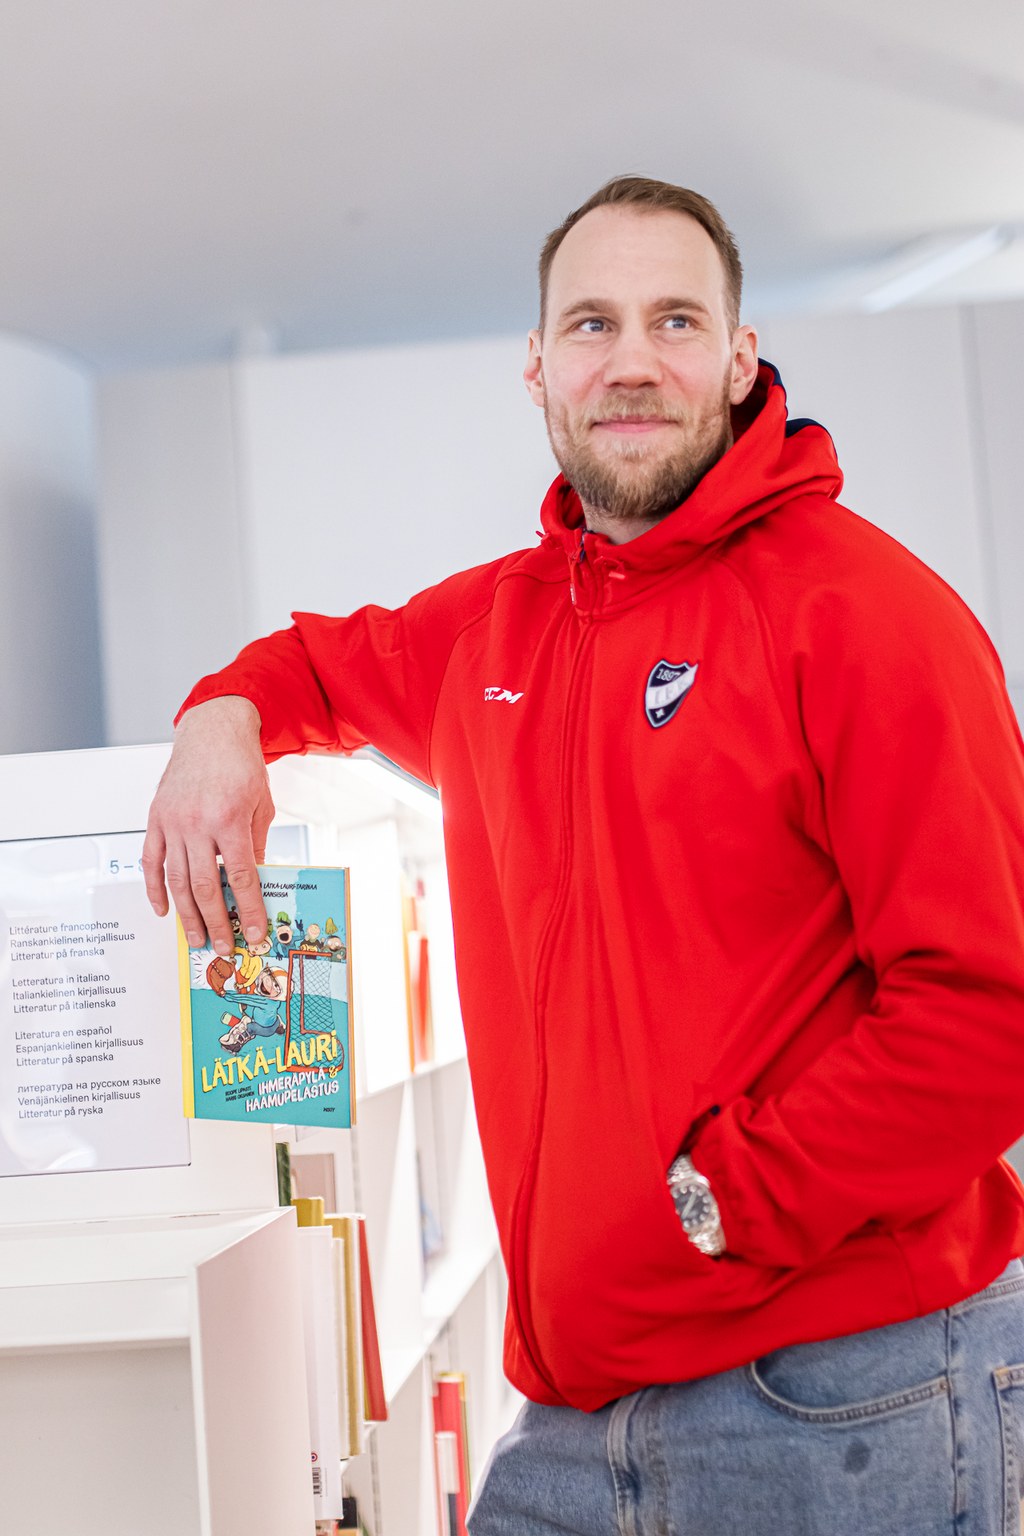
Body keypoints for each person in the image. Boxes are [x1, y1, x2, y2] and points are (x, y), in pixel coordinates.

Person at [143, 176, 1024, 1534]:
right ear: (538, 365)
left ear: (741, 358)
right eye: (592, 323)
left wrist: (726, 1202)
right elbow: (312, 662)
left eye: (676, 320)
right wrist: (220, 717)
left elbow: (988, 1010)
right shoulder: (497, 629)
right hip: (573, 1411)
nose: (631, 360)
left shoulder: (865, 613)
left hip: (847, 1391)